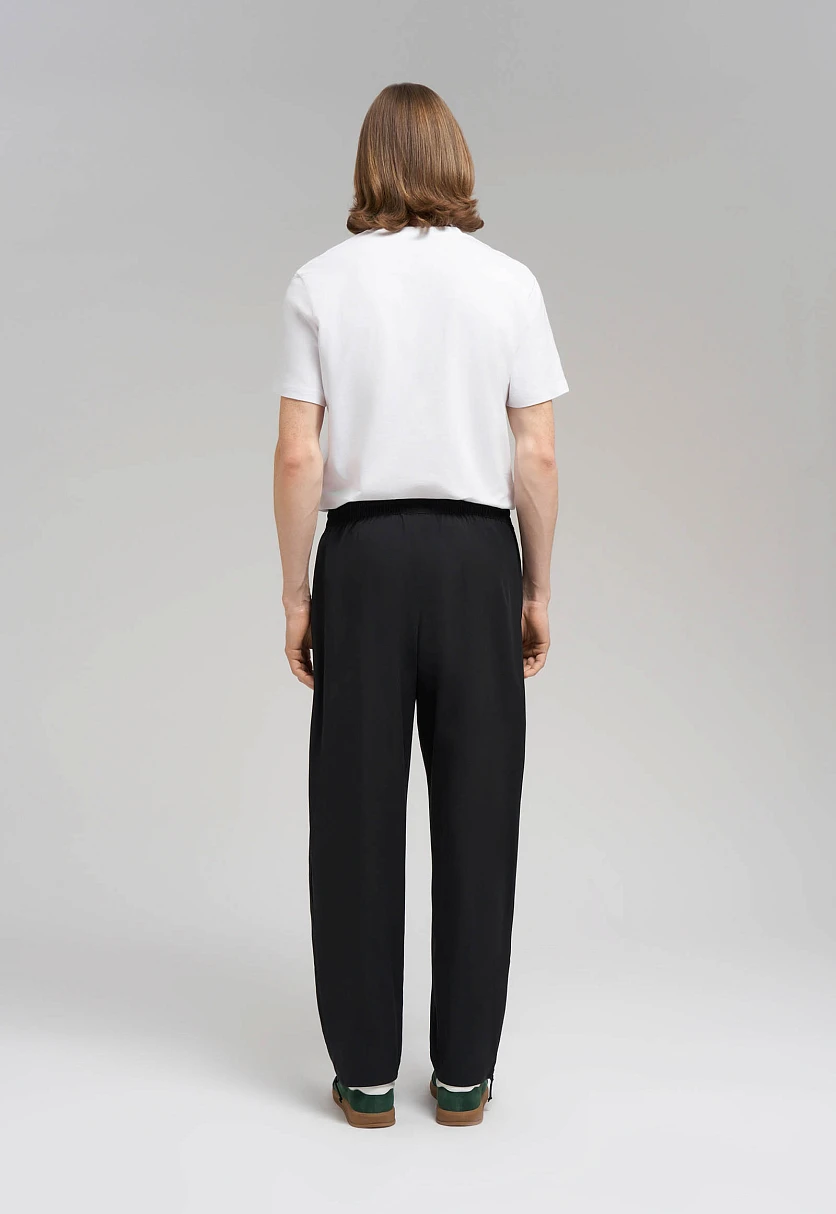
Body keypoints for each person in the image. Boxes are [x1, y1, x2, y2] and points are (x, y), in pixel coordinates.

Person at [272, 82, 568, 1129]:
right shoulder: (509, 283)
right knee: (480, 815)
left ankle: (362, 1074)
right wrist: (535, 585)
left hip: (362, 557)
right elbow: (535, 455)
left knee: (353, 815)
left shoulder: (320, 281)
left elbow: (298, 455)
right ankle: (461, 1076)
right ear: (454, 160)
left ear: (369, 164)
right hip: (476, 556)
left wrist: (298, 592)